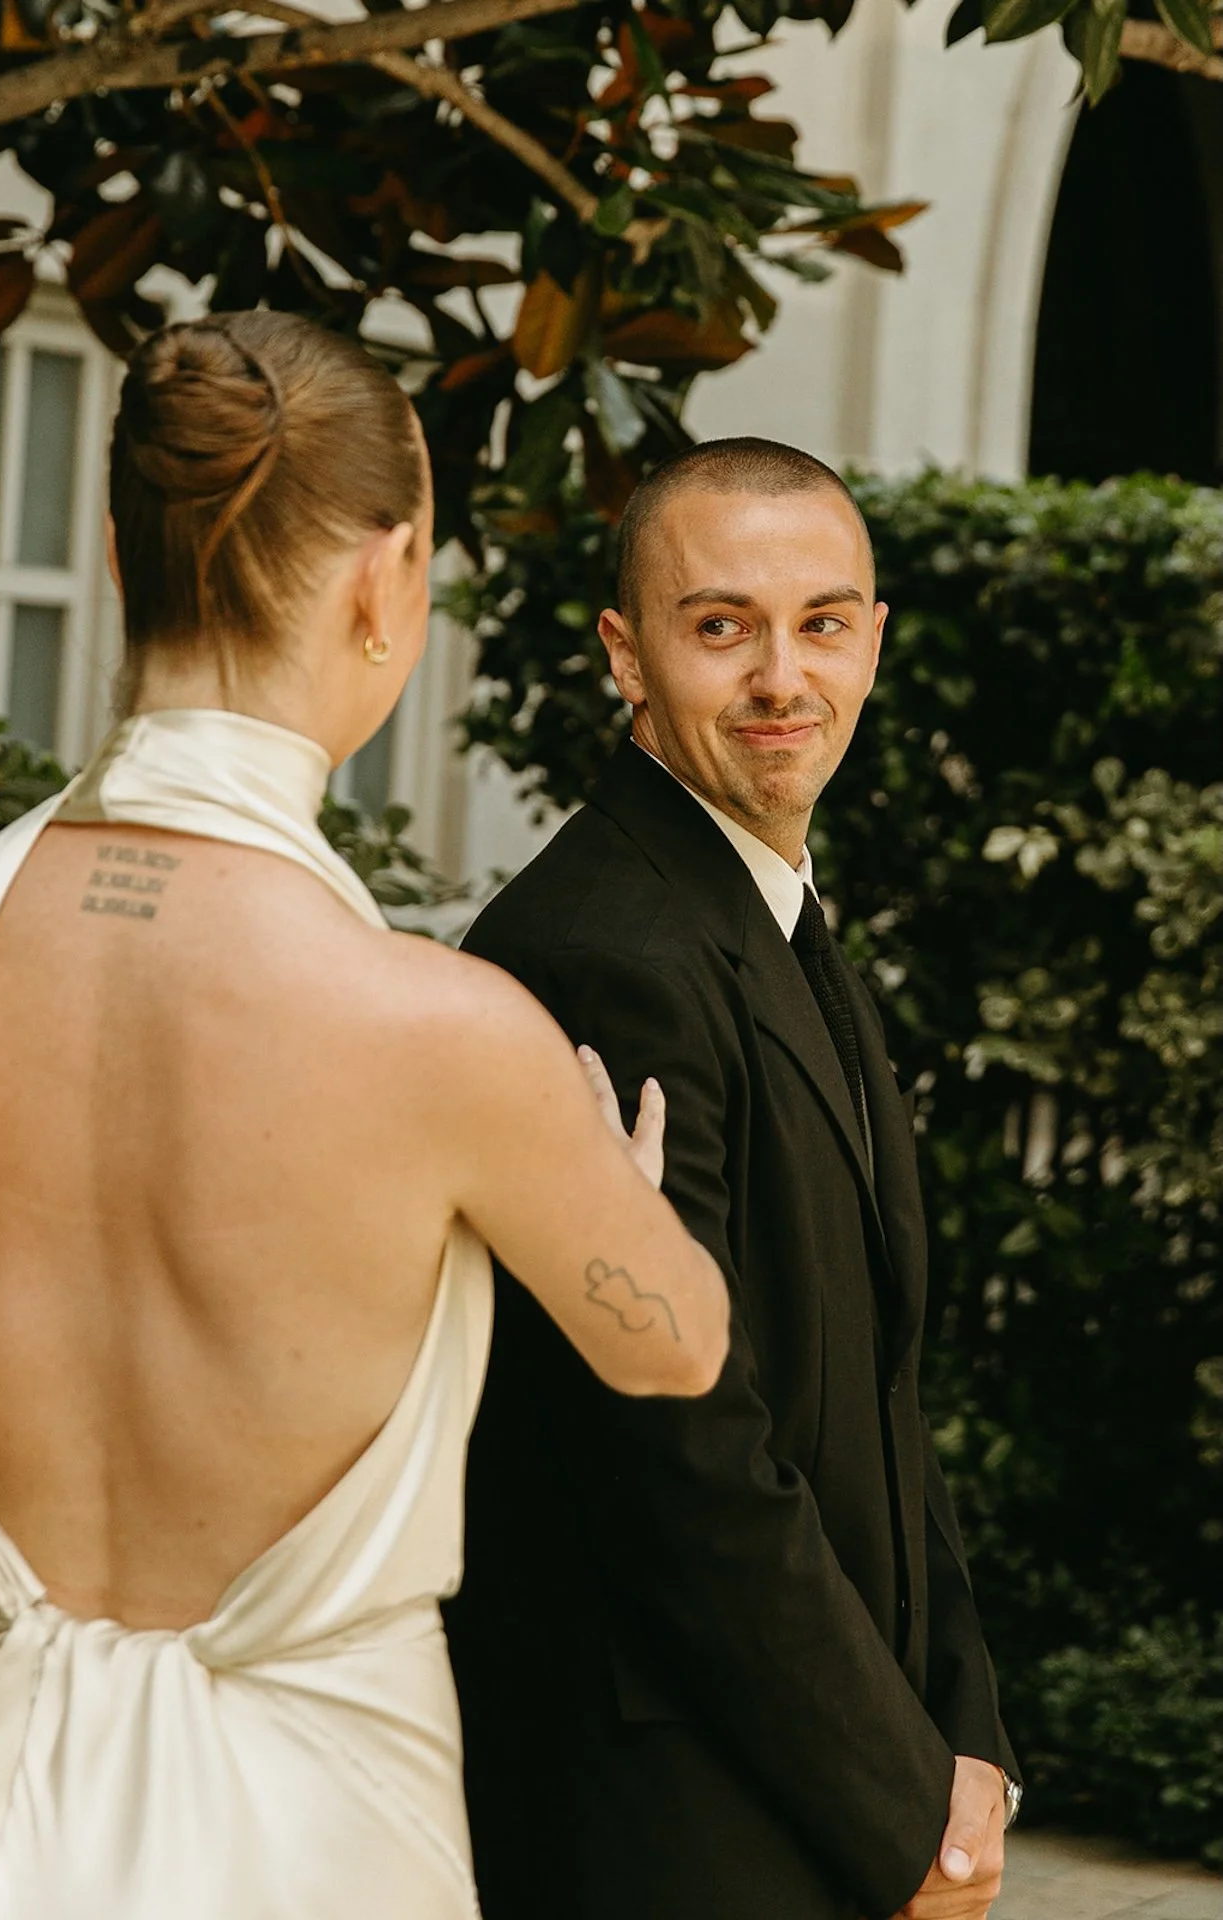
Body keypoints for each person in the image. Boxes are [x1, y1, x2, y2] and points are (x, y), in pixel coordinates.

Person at [0, 312, 729, 1920]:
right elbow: (676, 1344)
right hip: (321, 1854)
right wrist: (597, 1186)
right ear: (385, 579)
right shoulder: (442, 1034)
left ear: (111, 555)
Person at [445, 438, 1022, 1920]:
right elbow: (675, 1454)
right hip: (674, 1819)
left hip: (822, 1779)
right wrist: (899, 1803)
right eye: (721, 627)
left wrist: (965, 1738)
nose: (783, 675)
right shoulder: (599, 951)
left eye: (822, 623)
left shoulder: (766, 907)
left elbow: (883, 1389)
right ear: (624, 657)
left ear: (873, 641)